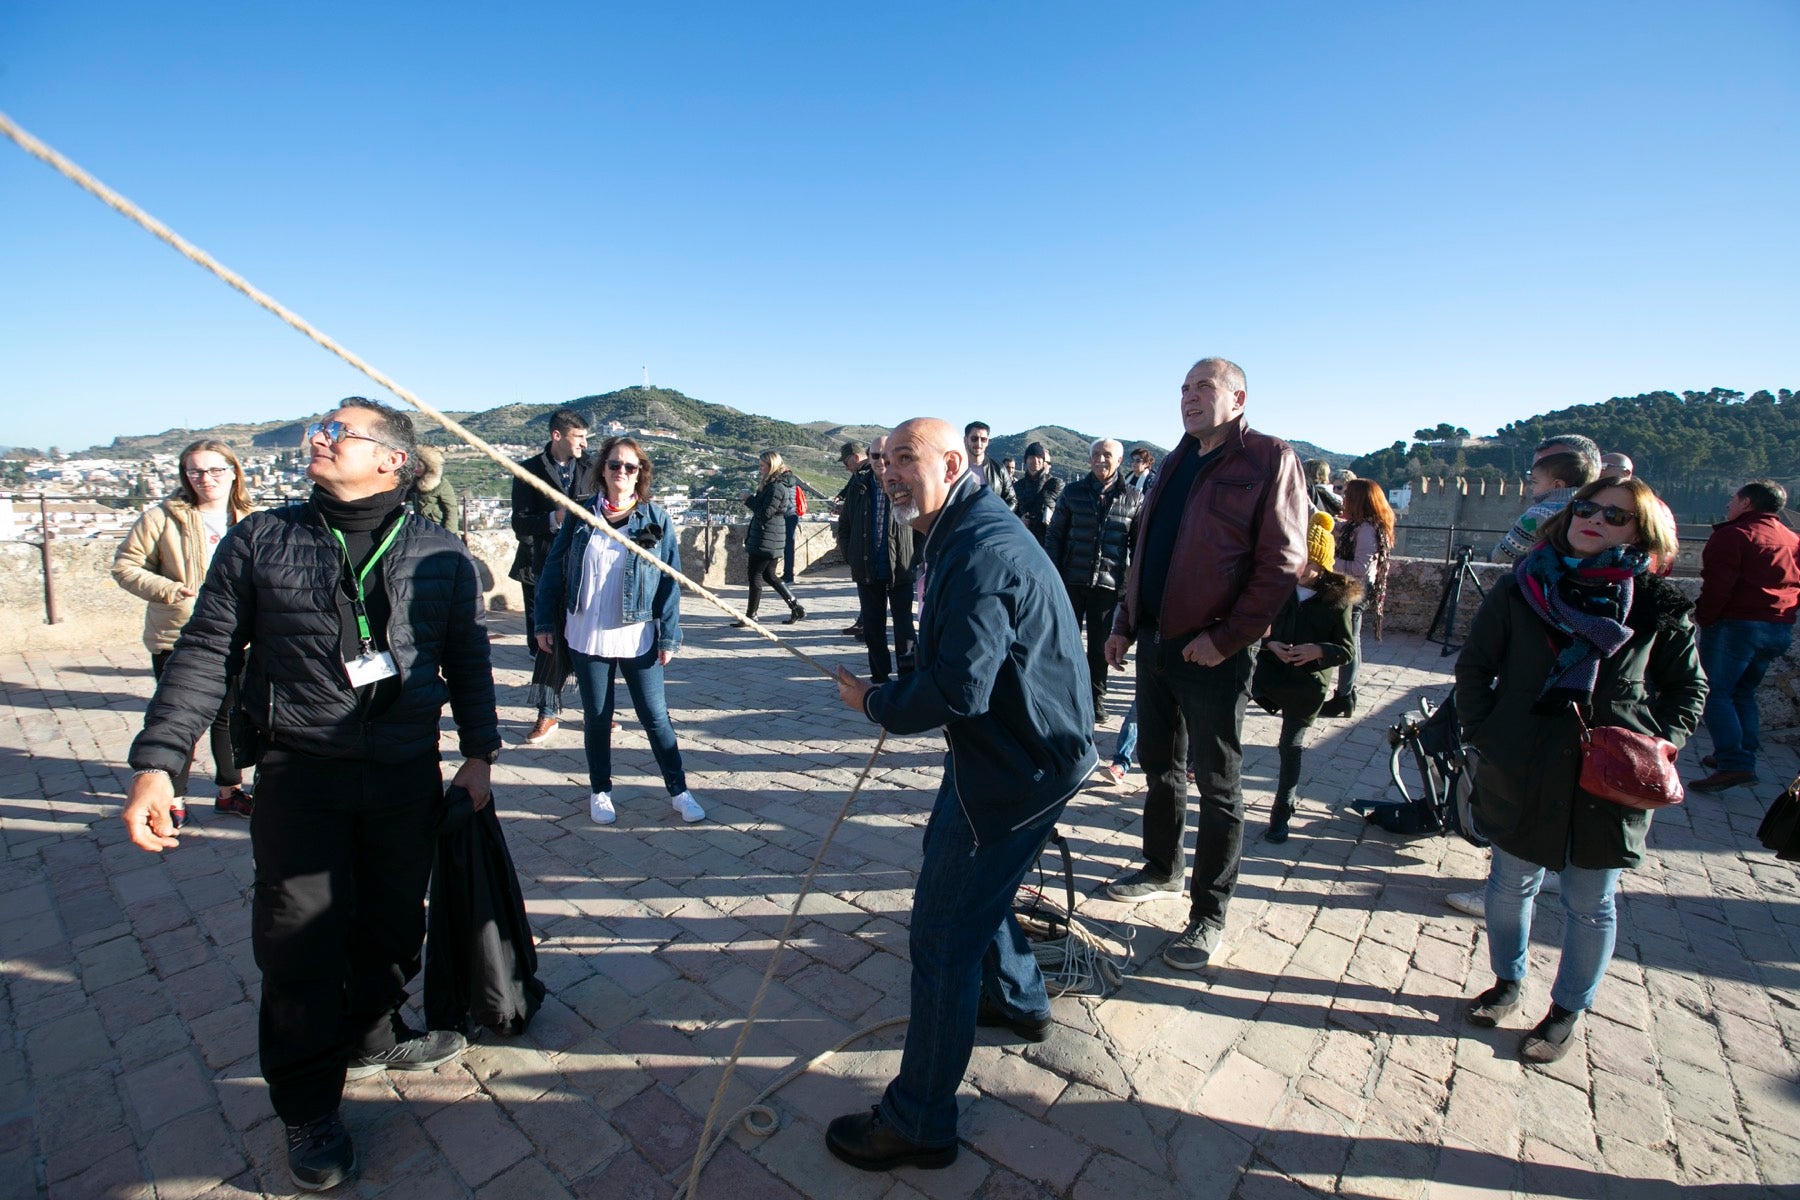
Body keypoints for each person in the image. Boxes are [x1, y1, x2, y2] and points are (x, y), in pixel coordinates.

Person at [121, 398, 499, 1191]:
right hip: (300, 776)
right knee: (297, 947)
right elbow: (207, 651)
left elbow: (466, 658)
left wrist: (479, 756)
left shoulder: (440, 552)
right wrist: (162, 760)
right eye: (320, 429)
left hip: (403, 772)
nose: (319, 439)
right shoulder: (262, 539)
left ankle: (372, 1033)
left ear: (393, 460)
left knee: (397, 921)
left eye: (340, 432)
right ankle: (308, 1105)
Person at [828, 418, 1095, 1172]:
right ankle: (1018, 998)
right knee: (967, 879)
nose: (889, 473)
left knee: (941, 934)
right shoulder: (960, 526)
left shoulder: (978, 549)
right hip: (1016, 752)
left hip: (1017, 767)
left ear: (953, 461)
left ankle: (920, 1122)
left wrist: (876, 704)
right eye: (884, 462)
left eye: (905, 460)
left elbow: (958, 688)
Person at [1455, 476, 1703, 1063]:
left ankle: (1567, 1009)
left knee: (1590, 901)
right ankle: (1508, 982)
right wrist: (1488, 734)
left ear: (1642, 531)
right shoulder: (1522, 590)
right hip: (1523, 763)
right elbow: (1474, 669)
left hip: (1606, 778)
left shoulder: (1654, 604)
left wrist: (1652, 746)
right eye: (1586, 507)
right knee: (1510, 883)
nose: (1594, 519)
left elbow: (1688, 688)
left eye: (1615, 516)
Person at [1102, 357, 1308, 971]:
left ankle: (1208, 914)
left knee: (1218, 784)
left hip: (1213, 652)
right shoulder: (1171, 462)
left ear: (1238, 397)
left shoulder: (1269, 458)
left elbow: (1282, 563)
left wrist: (1227, 638)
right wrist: (1123, 624)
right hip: (1158, 643)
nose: (1189, 397)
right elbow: (1145, 552)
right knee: (1159, 766)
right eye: (1184, 389)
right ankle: (1163, 867)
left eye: (1204, 387)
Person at [534, 437, 704, 824]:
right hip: (586, 630)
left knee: (656, 717)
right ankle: (601, 791)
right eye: (615, 465)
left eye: (630, 467)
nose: (622, 473)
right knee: (597, 716)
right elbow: (553, 569)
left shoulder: (656, 518)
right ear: (603, 470)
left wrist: (669, 635)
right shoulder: (581, 515)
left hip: (637, 632)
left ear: (641, 472)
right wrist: (544, 621)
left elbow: (669, 580)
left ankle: (679, 791)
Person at [111, 439, 257, 821]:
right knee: (180, 717)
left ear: (233, 472)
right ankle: (172, 797)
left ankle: (230, 789)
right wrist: (169, 590)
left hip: (239, 635)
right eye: (196, 471)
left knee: (231, 718)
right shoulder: (161, 517)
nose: (206, 479)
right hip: (179, 633)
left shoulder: (251, 517)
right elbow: (125, 567)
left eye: (215, 470)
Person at [1251, 513, 1359, 843]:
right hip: (1270, 678)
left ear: (1322, 565)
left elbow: (1346, 650)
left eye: (1308, 562)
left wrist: (1317, 650)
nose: (1300, 568)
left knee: (1290, 746)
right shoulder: (1280, 588)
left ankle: (1281, 812)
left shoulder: (1336, 601)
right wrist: (1270, 645)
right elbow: (1255, 628)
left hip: (1306, 686)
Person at [1689, 479, 1799, 792]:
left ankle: (1734, 762)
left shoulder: (1734, 536)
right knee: (1744, 692)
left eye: (1734, 499)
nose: (1729, 505)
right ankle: (1742, 753)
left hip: (1737, 626)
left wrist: (1705, 618)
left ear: (1747, 503)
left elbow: (1717, 585)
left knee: (1715, 692)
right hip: (1778, 626)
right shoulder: (1793, 539)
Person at [509, 409, 594, 745]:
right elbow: (520, 523)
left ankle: (597, 711)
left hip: (586, 568)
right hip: (541, 568)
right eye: (579, 437)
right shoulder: (528, 471)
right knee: (546, 642)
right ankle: (548, 713)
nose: (585, 444)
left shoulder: (592, 468)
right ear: (557, 436)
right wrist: (554, 518)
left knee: (591, 639)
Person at [1045, 438, 1141, 724]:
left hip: (1108, 584)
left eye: (1107, 455)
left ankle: (1096, 699)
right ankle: (1064, 696)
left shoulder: (1134, 497)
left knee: (1101, 646)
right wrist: (1053, 576)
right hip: (1071, 579)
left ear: (1119, 460)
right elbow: (1055, 536)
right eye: (1096, 454)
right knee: (1066, 642)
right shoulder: (1072, 492)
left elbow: (1137, 546)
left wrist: (1131, 586)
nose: (1100, 459)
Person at [837, 435, 915, 682]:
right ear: (867, 458)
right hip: (868, 568)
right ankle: (880, 678)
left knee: (904, 629)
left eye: (886, 455)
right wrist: (851, 554)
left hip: (900, 568)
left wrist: (917, 556)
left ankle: (908, 676)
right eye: (875, 456)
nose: (881, 461)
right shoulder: (858, 486)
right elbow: (845, 524)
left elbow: (922, 524)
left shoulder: (907, 484)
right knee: (873, 628)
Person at [1321, 479, 1395, 719]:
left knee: (1349, 643)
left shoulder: (1366, 530)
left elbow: (1360, 566)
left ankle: (1344, 695)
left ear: (1360, 500)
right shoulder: (1358, 526)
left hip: (1356, 591)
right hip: (1354, 589)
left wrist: (1327, 560)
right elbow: (1336, 526)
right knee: (1351, 640)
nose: (1344, 500)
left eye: (1348, 496)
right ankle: (1346, 694)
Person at [1490, 434, 1600, 565]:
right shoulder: (1598, 514)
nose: (1531, 481)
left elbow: (1501, 556)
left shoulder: (1538, 514)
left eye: (1557, 464)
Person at [742, 450, 806, 624]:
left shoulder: (776, 487)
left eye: (763, 465)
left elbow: (765, 513)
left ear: (772, 466)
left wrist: (749, 499)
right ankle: (796, 607)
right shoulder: (775, 485)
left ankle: (751, 615)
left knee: (755, 576)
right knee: (770, 575)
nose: (760, 468)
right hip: (770, 537)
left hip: (766, 538)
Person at [1012, 440, 1063, 546]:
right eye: (1031, 457)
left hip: (1049, 541)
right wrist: (1019, 521)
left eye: (1039, 457)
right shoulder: (1017, 486)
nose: (1035, 460)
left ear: (1043, 461)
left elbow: (1065, 513)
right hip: (1024, 540)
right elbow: (1010, 513)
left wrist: (1052, 520)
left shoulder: (1055, 484)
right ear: (1025, 461)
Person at [962, 421, 1016, 506]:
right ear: (965, 440)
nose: (979, 443)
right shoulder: (955, 469)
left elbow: (1012, 500)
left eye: (983, 439)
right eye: (974, 439)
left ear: (987, 442)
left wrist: (998, 517)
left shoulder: (999, 469)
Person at [409, 445, 461, 533]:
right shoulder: (413, 484)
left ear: (428, 466)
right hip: (420, 529)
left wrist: (450, 535)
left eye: (419, 465)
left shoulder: (442, 484)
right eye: (414, 464)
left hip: (438, 529)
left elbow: (451, 510)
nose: (416, 468)